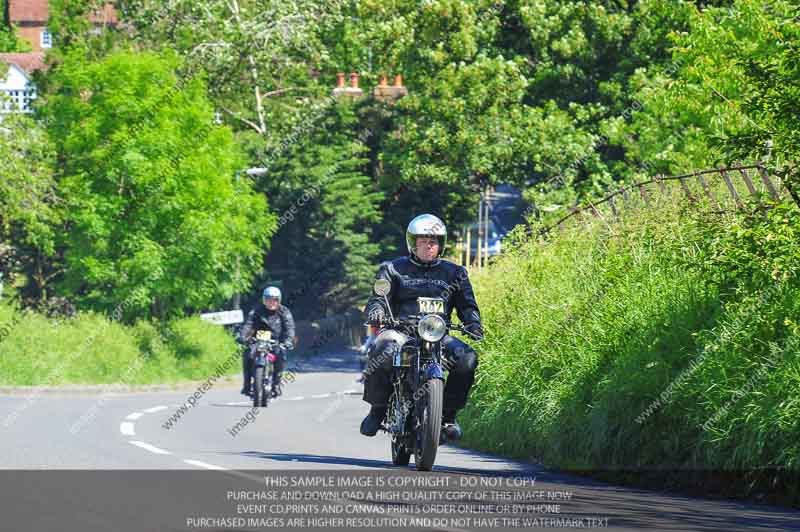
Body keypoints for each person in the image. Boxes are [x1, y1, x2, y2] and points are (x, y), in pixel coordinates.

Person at [360, 214, 484, 440]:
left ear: (441, 244)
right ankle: (377, 410)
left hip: (438, 335)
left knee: (467, 358)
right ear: (412, 243)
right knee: (381, 350)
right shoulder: (392, 268)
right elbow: (378, 298)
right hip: (400, 332)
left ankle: (447, 416)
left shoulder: (455, 273)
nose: (429, 245)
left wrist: (473, 322)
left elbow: (468, 305)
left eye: (434, 241)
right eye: (423, 240)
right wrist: (377, 312)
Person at [238, 286, 296, 398]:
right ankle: (246, 384)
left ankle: (276, 384)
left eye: (274, 299)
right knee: (247, 355)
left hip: (276, 341)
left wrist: (288, 340)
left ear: (279, 300)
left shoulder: (284, 311)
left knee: (281, 355)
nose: (271, 302)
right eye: (268, 299)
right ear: (264, 300)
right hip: (257, 341)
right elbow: (248, 324)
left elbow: (290, 328)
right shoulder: (256, 310)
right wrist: (242, 336)